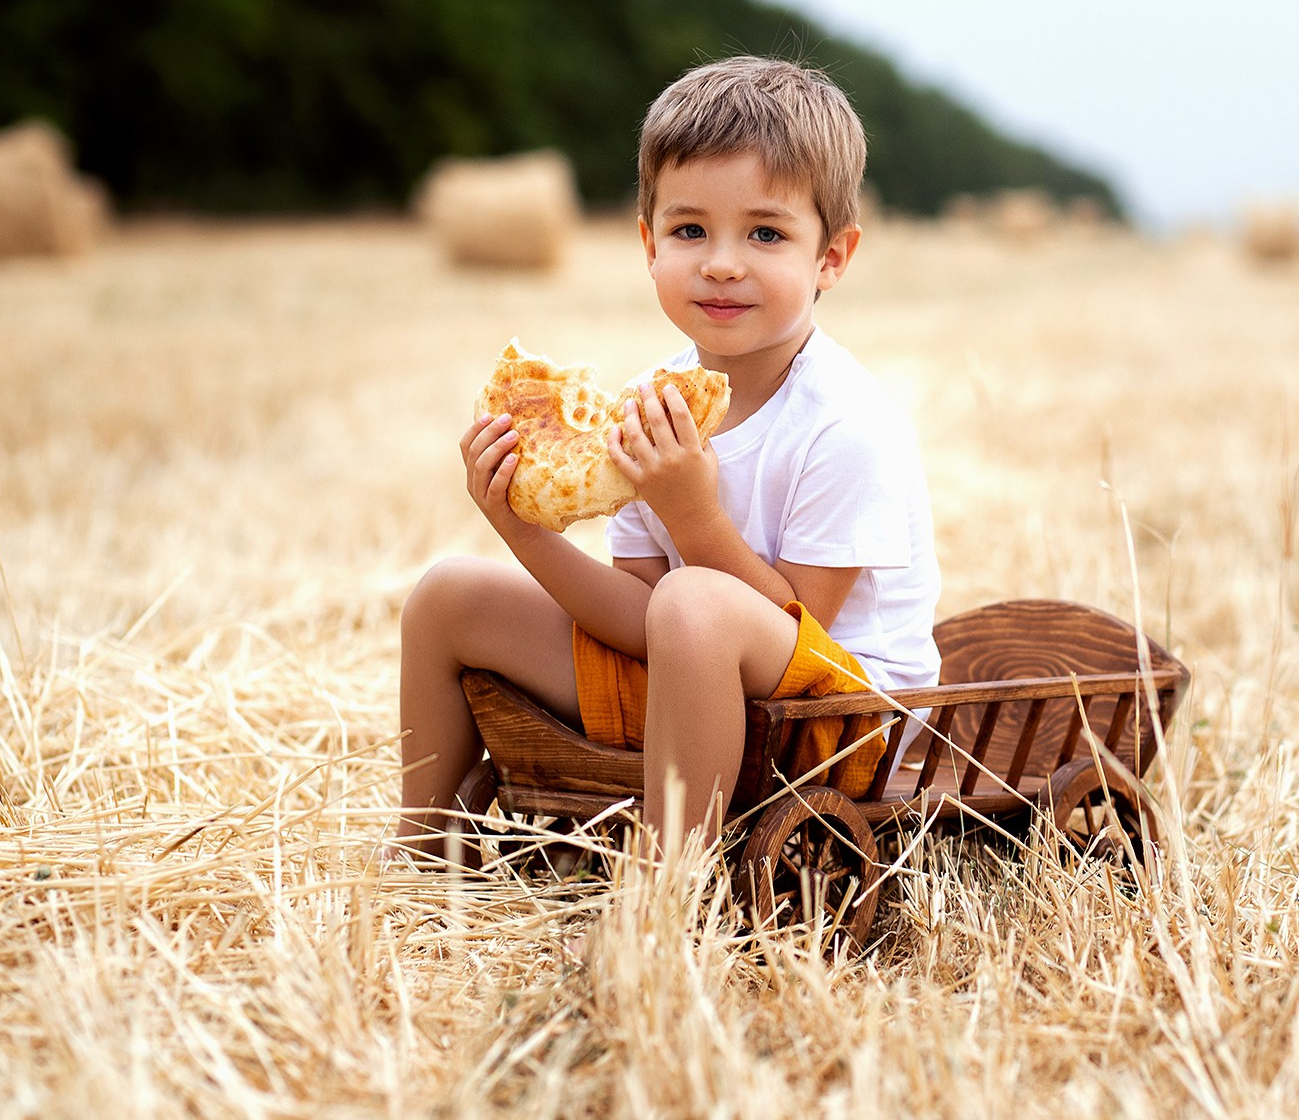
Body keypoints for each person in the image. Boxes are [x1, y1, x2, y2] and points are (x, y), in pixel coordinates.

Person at [394, 56, 941, 860]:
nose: (722, 261)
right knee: (448, 593)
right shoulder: (656, 404)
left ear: (831, 256)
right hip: (695, 681)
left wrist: (694, 514)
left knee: (694, 599)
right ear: (649, 244)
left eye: (765, 232)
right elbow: (640, 620)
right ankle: (418, 850)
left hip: (837, 725)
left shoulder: (847, 424)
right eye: (690, 230)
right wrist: (520, 528)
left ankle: (666, 888)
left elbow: (802, 634)